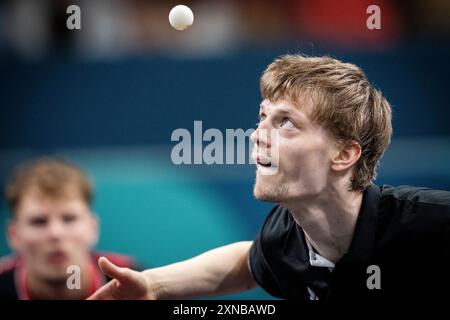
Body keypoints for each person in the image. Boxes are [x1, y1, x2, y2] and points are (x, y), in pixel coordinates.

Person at [88, 55, 450, 300]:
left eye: (286, 122)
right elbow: (248, 263)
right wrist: (152, 284)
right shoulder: (285, 238)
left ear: (344, 154)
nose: (257, 134)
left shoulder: (429, 224)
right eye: (262, 117)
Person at [0, 158, 139, 300]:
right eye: (39, 222)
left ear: (93, 228)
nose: (56, 233)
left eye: (69, 219)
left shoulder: (134, 282)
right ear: (14, 234)